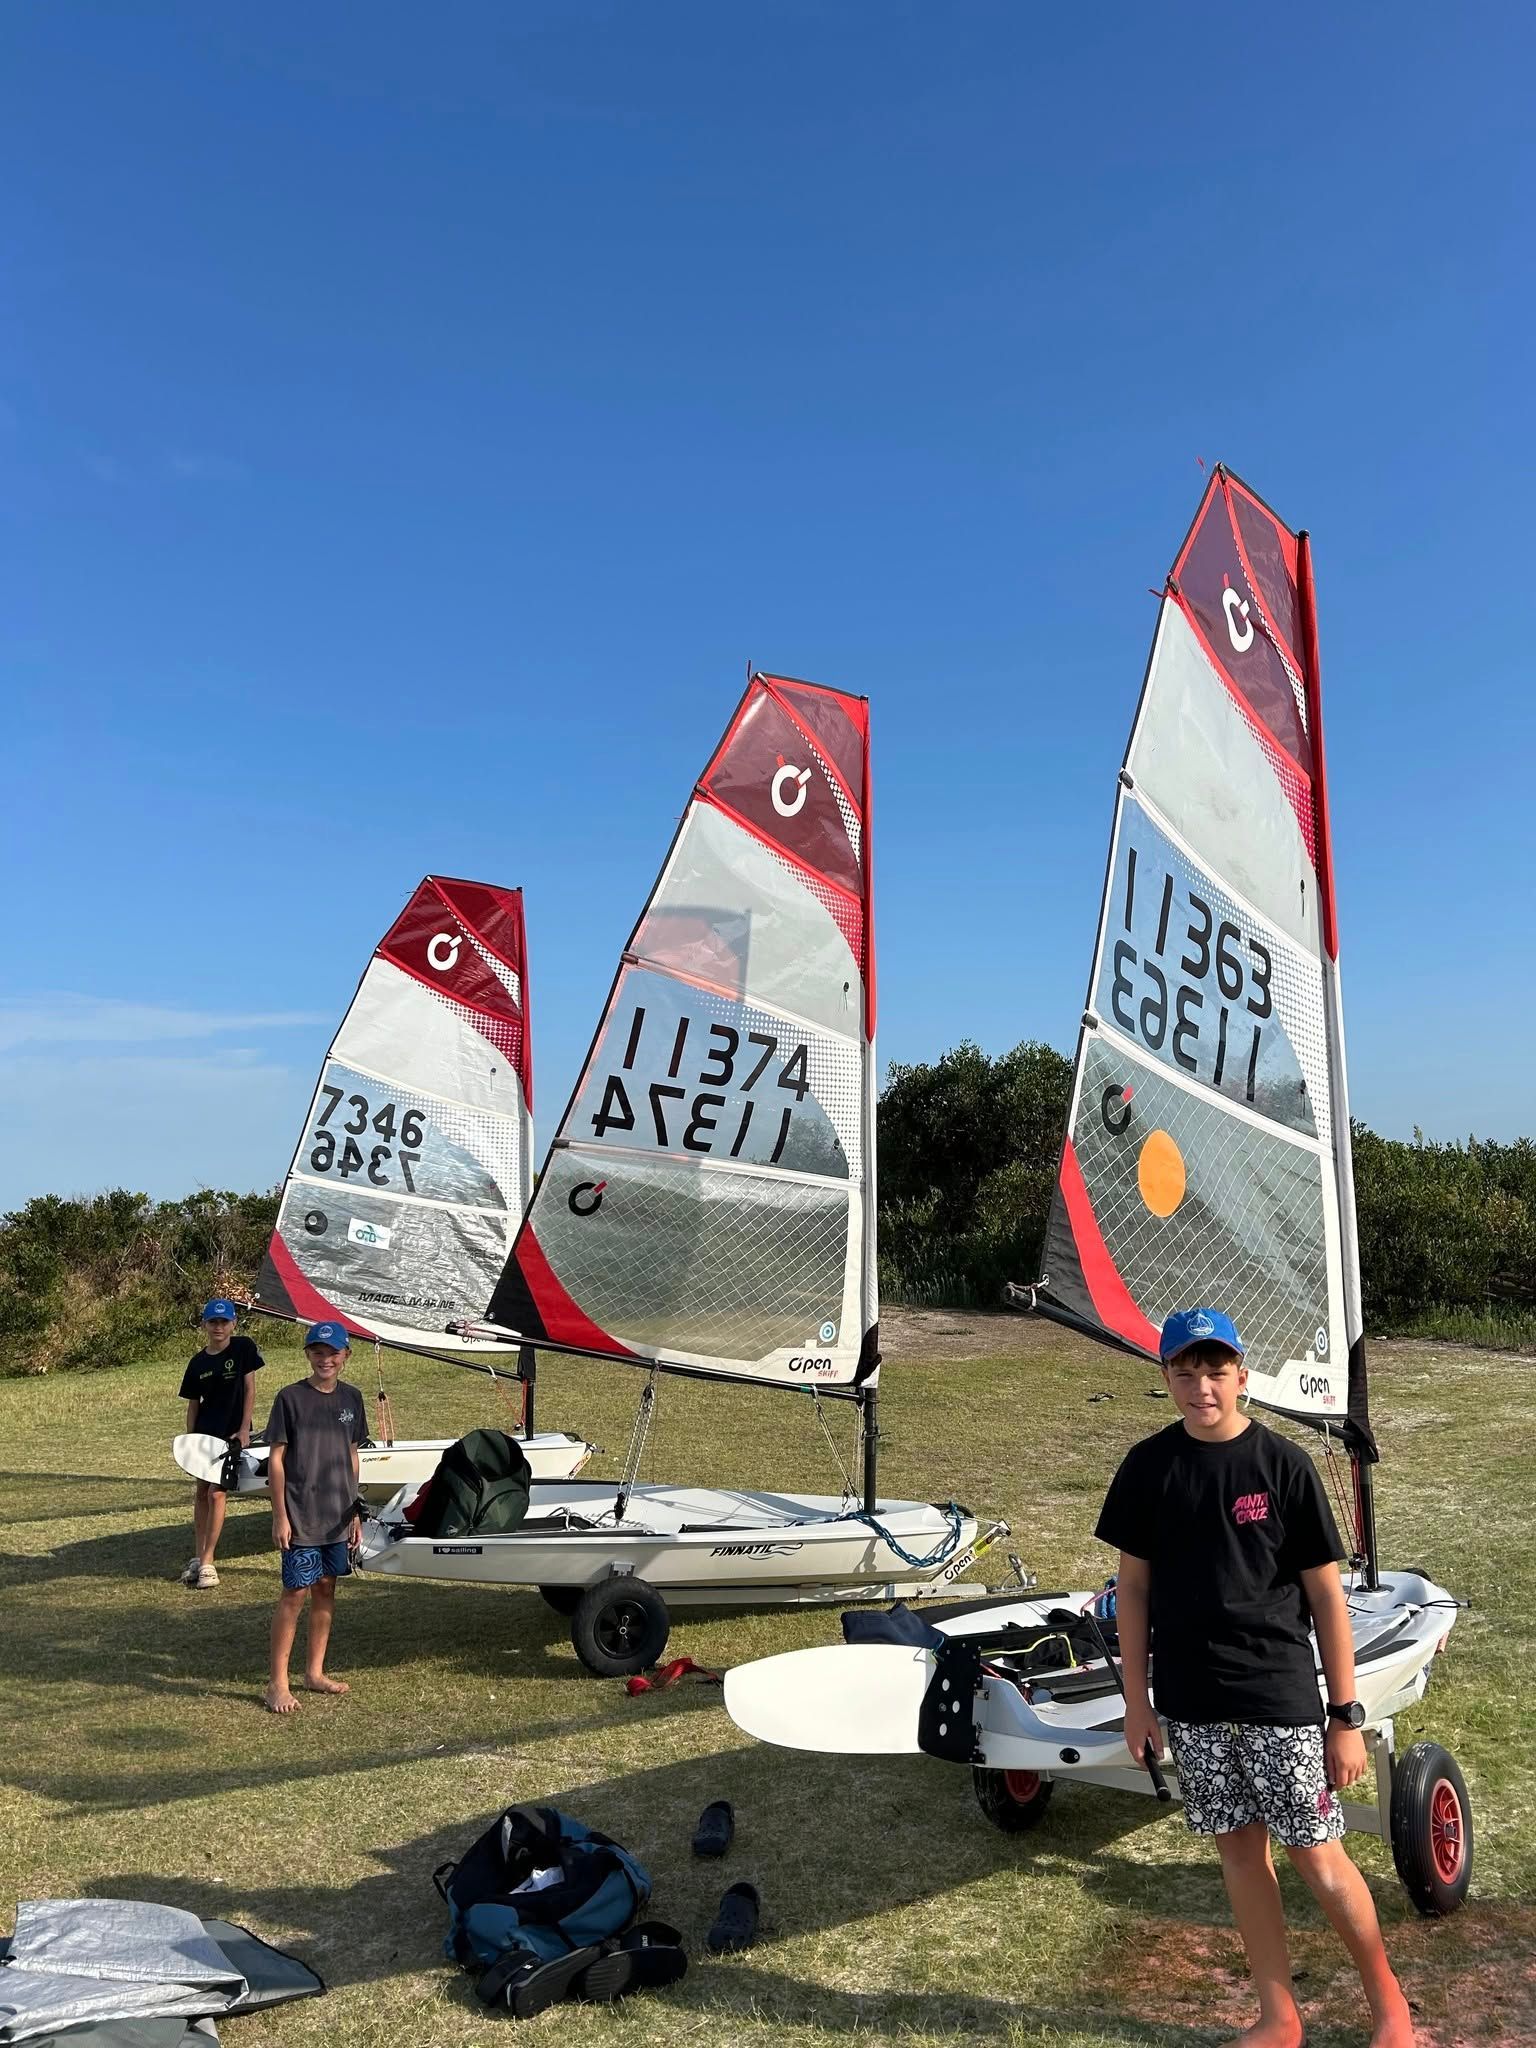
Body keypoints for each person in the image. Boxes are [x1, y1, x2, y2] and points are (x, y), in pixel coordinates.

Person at [1097, 1306, 1413, 2048]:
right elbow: (1133, 1591)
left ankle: (1389, 2006)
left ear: (1242, 1375)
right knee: (1240, 1854)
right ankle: (1279, 2017)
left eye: (1215, 1370)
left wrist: (1345, 1714)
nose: (1201, 1385)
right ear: (1167, 1376)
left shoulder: (1284, 1466)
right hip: (1192, 1698)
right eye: (1185, 1369)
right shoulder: (1149, 1468)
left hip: (1279, 1697)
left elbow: (1327, 1596)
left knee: (1318, 1855)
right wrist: (1137, 1705)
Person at [264, 1321, 368, 1714]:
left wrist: (353, 1509)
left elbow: (352, 1454)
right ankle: (277, 1682)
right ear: (308, 1354)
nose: (326, 1359)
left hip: (337, 1516)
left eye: (333, 1353)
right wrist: (280, 1515)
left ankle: (315, 1672)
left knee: (326, 1588)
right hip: (301, 1515)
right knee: (295, 1594)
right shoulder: (290, 1398)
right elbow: (276, 1459)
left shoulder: (352, 1399)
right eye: (318, 1352)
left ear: (345, 1356)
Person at [177, 1298, 264, 1588]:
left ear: (233, 1324)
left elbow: (250, 1388)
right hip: (204, 1435)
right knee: (202, 1492)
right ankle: (200, 1556)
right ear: (204, 1325)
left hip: (232, 1436)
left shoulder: (243, 1348)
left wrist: (244, 1429)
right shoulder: (197, 1362)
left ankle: (208, 1562)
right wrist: (190, 1441)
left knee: (217, 1493)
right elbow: (193, 1404)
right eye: (213, 1322)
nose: (218, 1327)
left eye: (224, 1321)